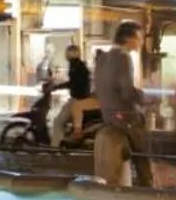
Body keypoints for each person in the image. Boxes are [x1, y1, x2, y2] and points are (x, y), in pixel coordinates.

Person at [94, 21, 151, 184]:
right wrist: (144, 97)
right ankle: (147, 186)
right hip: (125, 116)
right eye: (139, 37)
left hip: (107, 115)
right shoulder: (124, 58)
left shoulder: (102, 58)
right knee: (143, 153)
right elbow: (126, 91)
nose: (141, 42)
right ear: (128, 38)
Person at [62, 42, 94, 142]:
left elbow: (73, 83)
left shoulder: (76, 66)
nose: (66, 55)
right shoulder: (78, 65)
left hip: (77, 99)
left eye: (67, 53)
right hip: (79, 97)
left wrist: (56, 87)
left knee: (58, 122)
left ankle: (55, 145)